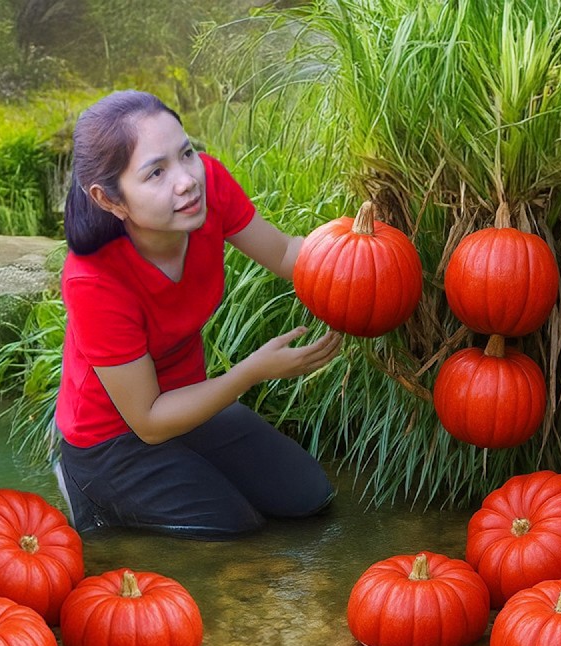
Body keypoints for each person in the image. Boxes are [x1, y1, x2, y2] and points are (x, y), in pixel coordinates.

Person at [53, 90, 343, 540]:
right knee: (234, 528)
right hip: (114, 438)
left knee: (309, 498)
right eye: (156, 172)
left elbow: (287, 253)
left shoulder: (205, 188)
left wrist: (359, 248)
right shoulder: (93, 279)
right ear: (110, 199)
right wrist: (253, 371)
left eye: (186, 153)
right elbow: (148, 421)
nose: (186, 179)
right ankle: (87, 493)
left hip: (192, 405)